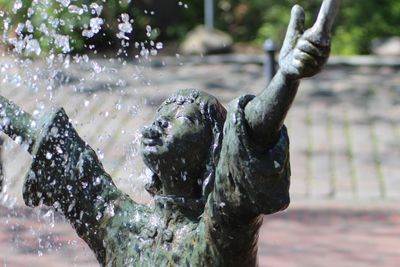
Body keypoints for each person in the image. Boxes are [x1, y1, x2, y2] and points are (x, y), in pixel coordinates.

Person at [0, 1, 338, 266]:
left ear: (212, 153)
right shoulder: (123, 225)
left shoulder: (216, 235)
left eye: (183, 119)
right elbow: (63, 155)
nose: (160, 123)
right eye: (162, 113)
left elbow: (248, 137)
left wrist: (285, 80)